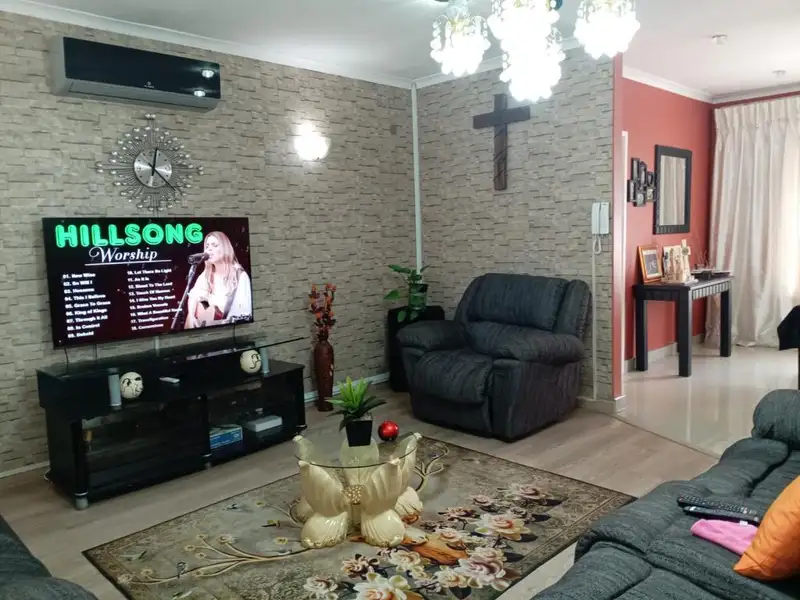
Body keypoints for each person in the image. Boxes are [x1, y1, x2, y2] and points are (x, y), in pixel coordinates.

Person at [185, 231, 252, 329]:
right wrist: (191, 316)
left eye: (215, 245)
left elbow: (244, 314)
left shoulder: (240, 277)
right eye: (207, 246)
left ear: (225, 248)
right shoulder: (207, 274)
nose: (209, 249)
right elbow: (194, 295)